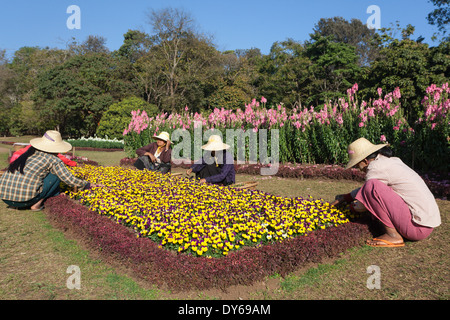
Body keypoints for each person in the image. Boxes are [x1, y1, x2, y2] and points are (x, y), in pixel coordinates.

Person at [332, 137, 441, 247]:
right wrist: (346, 198)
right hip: (425, 225)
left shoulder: (375, 167)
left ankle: (393, 235)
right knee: (371, 186)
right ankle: (393, 233)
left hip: (416, 228)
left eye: (357, 165)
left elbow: (368, 193)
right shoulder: (388, 161)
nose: (358, 169)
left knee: (372, 186)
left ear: (365, 161)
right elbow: (368, 190)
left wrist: (348, 209)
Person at [0, 130, 91, 211]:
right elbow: (69, 179)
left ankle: (14, 204)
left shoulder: (28, 154)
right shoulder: (53, 160)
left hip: (5, 198)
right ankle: (37, 203)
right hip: (25, 201)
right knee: (56, 175)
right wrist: (87, 185)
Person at [9, 144, 78, 167]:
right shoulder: (47, 149)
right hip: (23, 162)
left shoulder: (32, 146)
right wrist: (74, 164)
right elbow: (62, 158)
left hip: (15, 160)